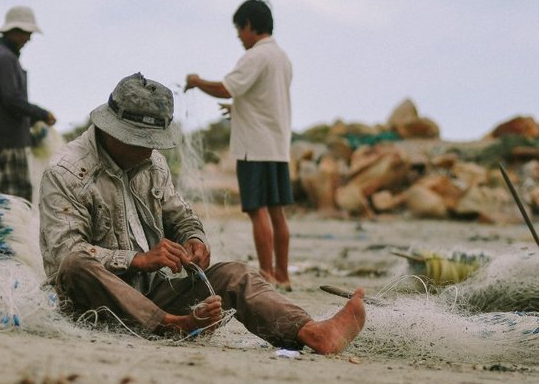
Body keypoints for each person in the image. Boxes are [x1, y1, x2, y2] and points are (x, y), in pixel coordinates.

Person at [39, 73, 364, 355]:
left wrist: (194, 239)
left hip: (152, 295)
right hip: (94, 302)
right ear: (114, 131)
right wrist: (137, 260)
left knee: (235, 274)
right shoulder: (66, 171)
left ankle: (311, 333)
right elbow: (65, 256)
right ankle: (172, 325)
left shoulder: (151, 164)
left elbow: (181, 215)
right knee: (76, 264)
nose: (149, 151)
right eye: (140, 142)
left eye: (154, 143)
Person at [185, 0, 294, 290]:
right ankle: (283, 273)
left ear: (249, 25)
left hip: (254, 146)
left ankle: (268, 274)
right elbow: (264, 100)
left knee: (257, 210)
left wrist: (196, 81)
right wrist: (238, 109)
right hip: (278, 145)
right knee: (276, 211)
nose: (239, 37)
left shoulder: (255, 57)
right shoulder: (282, 57)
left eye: (239, 30)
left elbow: (225, 88)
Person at [0, 5, 56, 201]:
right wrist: (41, 114)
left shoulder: (3, 56)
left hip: (8, 139)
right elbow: (12, 100)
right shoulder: (4, 58)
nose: (29, 39)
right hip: (9, 142)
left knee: (11, 198)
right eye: (27, 34)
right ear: (15, 32)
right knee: (15, 201)